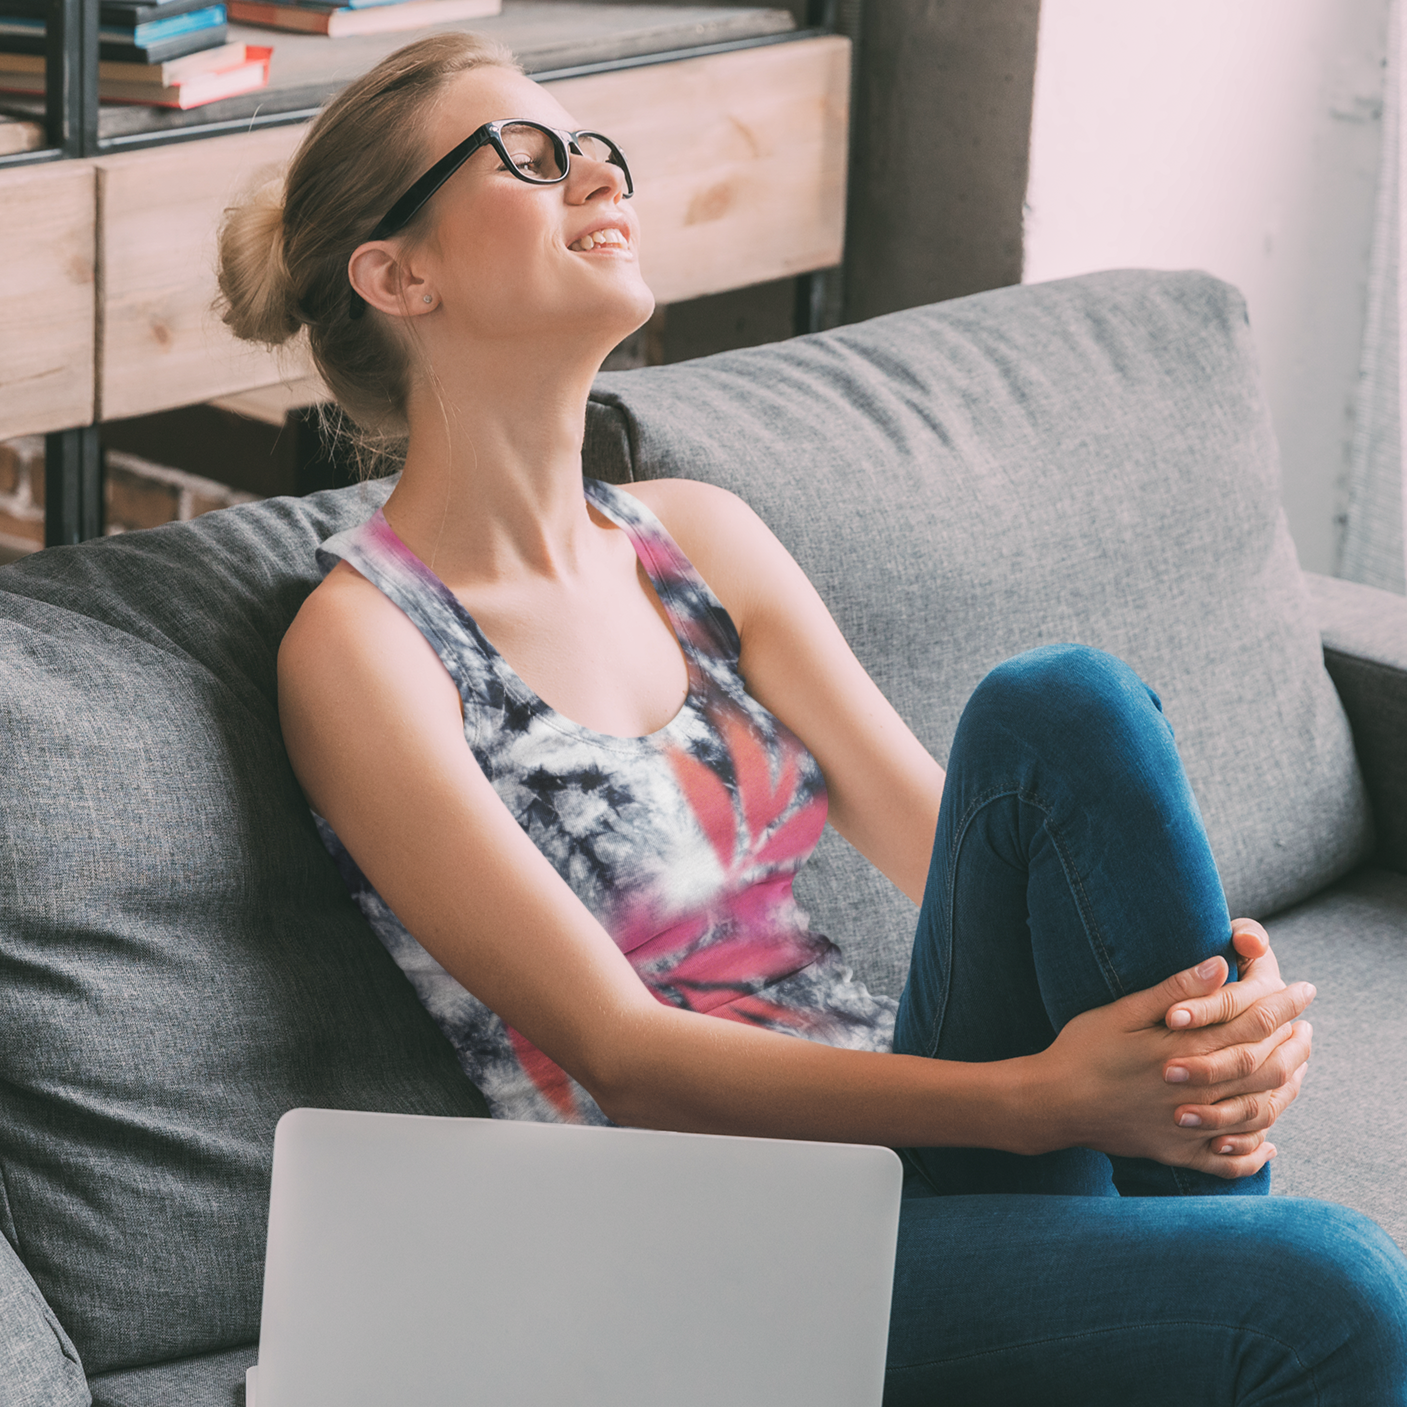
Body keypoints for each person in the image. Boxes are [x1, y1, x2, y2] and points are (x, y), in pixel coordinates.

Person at [217, 32, 1407, 1403]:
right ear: (397, 273)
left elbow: (951, 833)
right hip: (702, 1262)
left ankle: (1210, 1226)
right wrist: (1055, 1100)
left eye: (595, 146)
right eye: (531, 158)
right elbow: (630, 1057)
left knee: (1060, 705)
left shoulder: (698, 538)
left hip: (901, 1168)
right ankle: (1223, 1283)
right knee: (1329, 1282)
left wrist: (1216, 1019)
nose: (595, 171)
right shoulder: (365, 649)